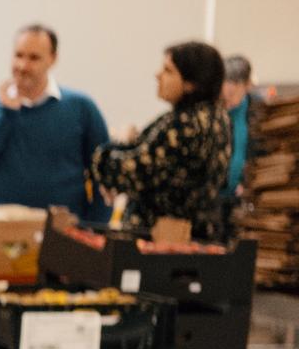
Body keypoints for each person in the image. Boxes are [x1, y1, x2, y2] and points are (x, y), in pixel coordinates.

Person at [88, 40, 237, 245]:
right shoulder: (219, 118)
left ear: (191, 83)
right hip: (195, 239)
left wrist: (112, 148)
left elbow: (124, 172)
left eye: (168, 70)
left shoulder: (184, 125)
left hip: (159, 243)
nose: (157, 75)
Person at [0, 23, 111, 214]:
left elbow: (104, 172)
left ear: (53, 59)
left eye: (34, 58)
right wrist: (6, 115)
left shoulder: (81, 107)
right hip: (1, 228)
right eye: (18, 55)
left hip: (63, 231)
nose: (23, 66)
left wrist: (93, 227)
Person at [226, 54, 255, 198]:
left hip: (248, 191)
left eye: (232, 92)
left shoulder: (259, 110)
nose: (227, 98)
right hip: (218, 197)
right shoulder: (215, 112)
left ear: (247, 85)